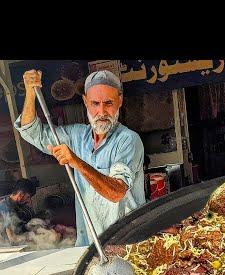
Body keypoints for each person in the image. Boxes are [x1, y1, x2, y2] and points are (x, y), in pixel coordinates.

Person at [14, 69, 145, 247]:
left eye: (108, 103)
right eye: (95, 103)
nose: (102, 111)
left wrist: (76, 162)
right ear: (85, 102)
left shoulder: (128, 140)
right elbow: (32, 132)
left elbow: (117, 193)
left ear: (119, 100)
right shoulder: (77, 136)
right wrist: (30, 93)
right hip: (89, 244)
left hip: (125, 244)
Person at [0, 178, 36, 245]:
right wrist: (34, 237)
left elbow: (22, 226)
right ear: (20, 194)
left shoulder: (16, 205)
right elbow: (13, 239)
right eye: (28, 197)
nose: (29, 201)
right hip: (9, 250)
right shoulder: (5, 208)